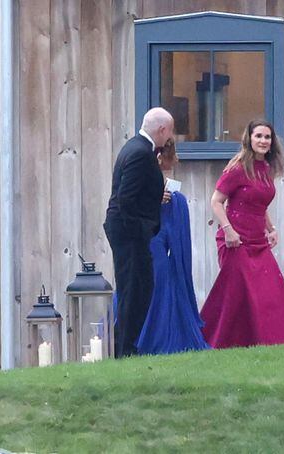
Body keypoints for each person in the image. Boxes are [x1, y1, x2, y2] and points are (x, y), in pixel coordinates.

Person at [200, 119, 284, 348]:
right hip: (235, 241)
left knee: (270, 291)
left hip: (258, 241)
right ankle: (209, 339)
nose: (263, 141)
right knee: (235, 294)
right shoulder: (238, 168)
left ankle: (268, 341)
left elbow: (259, 204)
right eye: (259, 136)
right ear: (249, 138)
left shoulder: (267, 169)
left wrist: (272, 229)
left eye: (267, 137)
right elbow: (216, 202)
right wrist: (228, 231)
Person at [104, 107, 174, 357]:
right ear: (162, 129)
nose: (169, 139)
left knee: (139, 287)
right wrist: (141, 231)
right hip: (129, 233)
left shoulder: (136, 148)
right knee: (135, 290)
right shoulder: (140, 153)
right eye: (169, 132)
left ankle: (127, 346)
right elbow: (126, 197)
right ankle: (125, 349)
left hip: (128, 231)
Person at [135, 139, 210, 354]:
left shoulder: (162, 184)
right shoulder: (144, 174)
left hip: (159, 230)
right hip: (151, 236)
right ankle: (146, 336)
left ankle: (158, 334)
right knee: (156, 281)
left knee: (162, 281)